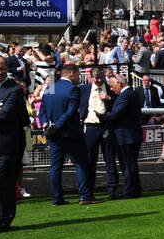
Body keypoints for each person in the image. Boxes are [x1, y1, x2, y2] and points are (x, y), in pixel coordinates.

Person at [40, 64, 96, 206]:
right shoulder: (73, 89)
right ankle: (85, 196)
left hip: (53, 135)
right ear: (71, 73)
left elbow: (42, 111)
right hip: (70, 134)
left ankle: (57, 198)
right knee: (81, 164)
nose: (79, 77)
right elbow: (71, 112)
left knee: (55, 167)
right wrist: (57, 126)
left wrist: (47, 124)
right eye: (78, 74)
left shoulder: (50, 87)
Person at [0, 57, 29, 232]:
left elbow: (4, 116)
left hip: (6, 147)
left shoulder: (14, 90)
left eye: (2, 68)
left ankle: (4, 220)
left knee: (3, 182)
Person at [82, 67, 120, 197]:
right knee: (89, 160)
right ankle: (89, 190)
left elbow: (120, 103)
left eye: (101, 78)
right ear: (91, 78)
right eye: (96, 78)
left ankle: (112, 189)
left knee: (109, 159)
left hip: (106, 126)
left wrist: (109, 98)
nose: (99, 80)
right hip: (91, 127)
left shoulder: (110, 88)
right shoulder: (84, 89)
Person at [104, 72, 143, 198]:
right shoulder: (129, 94)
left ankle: (130, 191)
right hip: (130, 135)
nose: (111, 88)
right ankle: (134, 189)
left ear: (119, 83)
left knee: (128, 165)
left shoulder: (126, 96)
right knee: (130, 164)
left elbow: (116, 114)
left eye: (112, 85)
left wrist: (102, 116)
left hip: (127, 136)